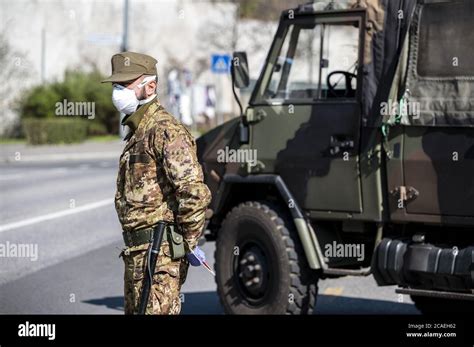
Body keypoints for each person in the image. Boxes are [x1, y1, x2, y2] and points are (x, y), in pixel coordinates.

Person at [102, 51, 211, 314]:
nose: (118, 91)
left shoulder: (165, 130)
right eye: (116, 85)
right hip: (138, 253)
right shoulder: (140, 130)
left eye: (125, 85)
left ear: (150, 86)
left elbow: (194, 193)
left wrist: (185, 245)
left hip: (159, 256)